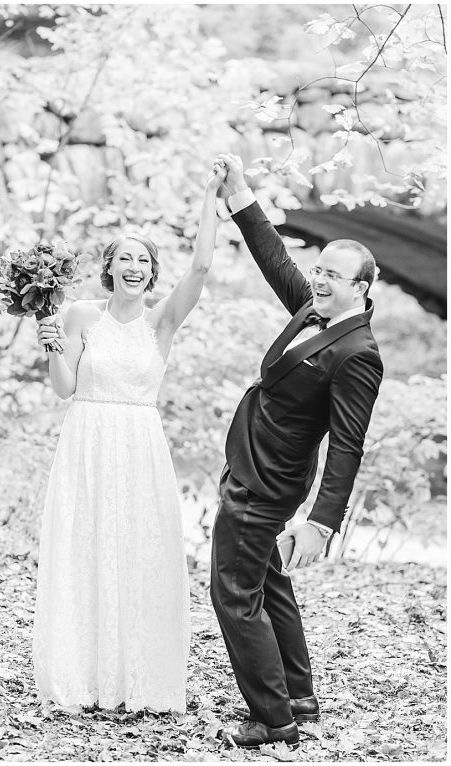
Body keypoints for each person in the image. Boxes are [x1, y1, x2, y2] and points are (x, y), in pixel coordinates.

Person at [31, 163, 223, 712]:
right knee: (85, 545)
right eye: (125, 258)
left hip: (139, 443)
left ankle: (136, 676)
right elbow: (65, 388)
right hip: (85, 438)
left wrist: (210, 196)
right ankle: (84, 675)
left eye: (144, 259)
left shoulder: (162, 322)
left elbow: (204, 265)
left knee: (138, 551)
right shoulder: (78, 315)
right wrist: (51, 348)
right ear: (109, 268)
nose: (134, 266)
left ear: (151, 273)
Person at [210, 153, 384, 748]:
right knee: (267, 580)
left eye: (333, 274)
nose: (319, 278)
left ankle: (272, 719)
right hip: (253, 465)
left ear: (361, 286)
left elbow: (348, 447)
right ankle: (299, 694)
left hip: (267, 481)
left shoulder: (357, 353)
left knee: (233, 594)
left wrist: (321, 524)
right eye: (320, 269)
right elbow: (275, 257)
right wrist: (241, 196)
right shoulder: (314, 309)